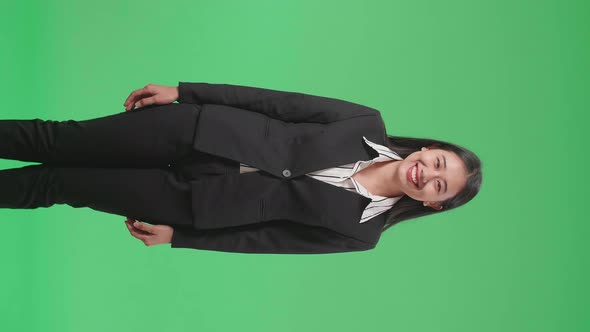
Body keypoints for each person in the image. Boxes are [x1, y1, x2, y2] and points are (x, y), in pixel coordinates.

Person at [0, 82, 482, 254]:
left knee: (58, 183)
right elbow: (273, 101)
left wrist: (182, 237)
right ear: (430, 148)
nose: (427, 172)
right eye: (438, 161)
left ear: (432, 203)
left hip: (195, 203)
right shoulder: (364, 120)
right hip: (198, 130)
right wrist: (187, 93)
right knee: (59, 139)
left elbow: (265, 241)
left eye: (438, 184)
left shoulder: (360, 234)